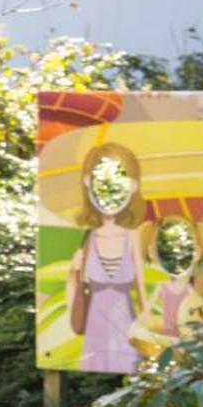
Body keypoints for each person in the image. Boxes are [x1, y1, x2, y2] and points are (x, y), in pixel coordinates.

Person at [65, 144, 146, 374]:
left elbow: (140, 288)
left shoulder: (132, 237)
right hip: (96, 329)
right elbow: (73, 292)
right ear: (88, 183)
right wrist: (73, 271)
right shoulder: (88, 239)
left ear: (133, 187)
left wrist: (147, 321)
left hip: (126, 327)